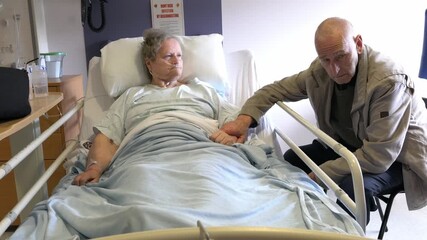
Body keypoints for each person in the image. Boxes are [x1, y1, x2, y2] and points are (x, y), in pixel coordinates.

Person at [220, 17, 427, 223]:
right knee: (294, 158)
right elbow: (274, 90)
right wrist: (243, 121)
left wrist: (321, 174)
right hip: (354, 147)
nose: (334, 69)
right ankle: (297, 224)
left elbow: (379, 156)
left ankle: (339, 233)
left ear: (358, 44)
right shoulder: (320, 72)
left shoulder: (388, 81)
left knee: (351, 187)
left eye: (341, 56)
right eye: (325, 60)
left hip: (399, 159)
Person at [72, 28, 238, 186]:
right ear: (149, 64)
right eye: (168, 56)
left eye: (179, 56)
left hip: (202, 151)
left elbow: (238, 123)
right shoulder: (131, 96)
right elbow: (107, 136)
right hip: (145, 157)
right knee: (142, 181)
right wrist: (94, 168)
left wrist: (232, 137)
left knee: (213, 180)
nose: (176, 61)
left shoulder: (204, 90)